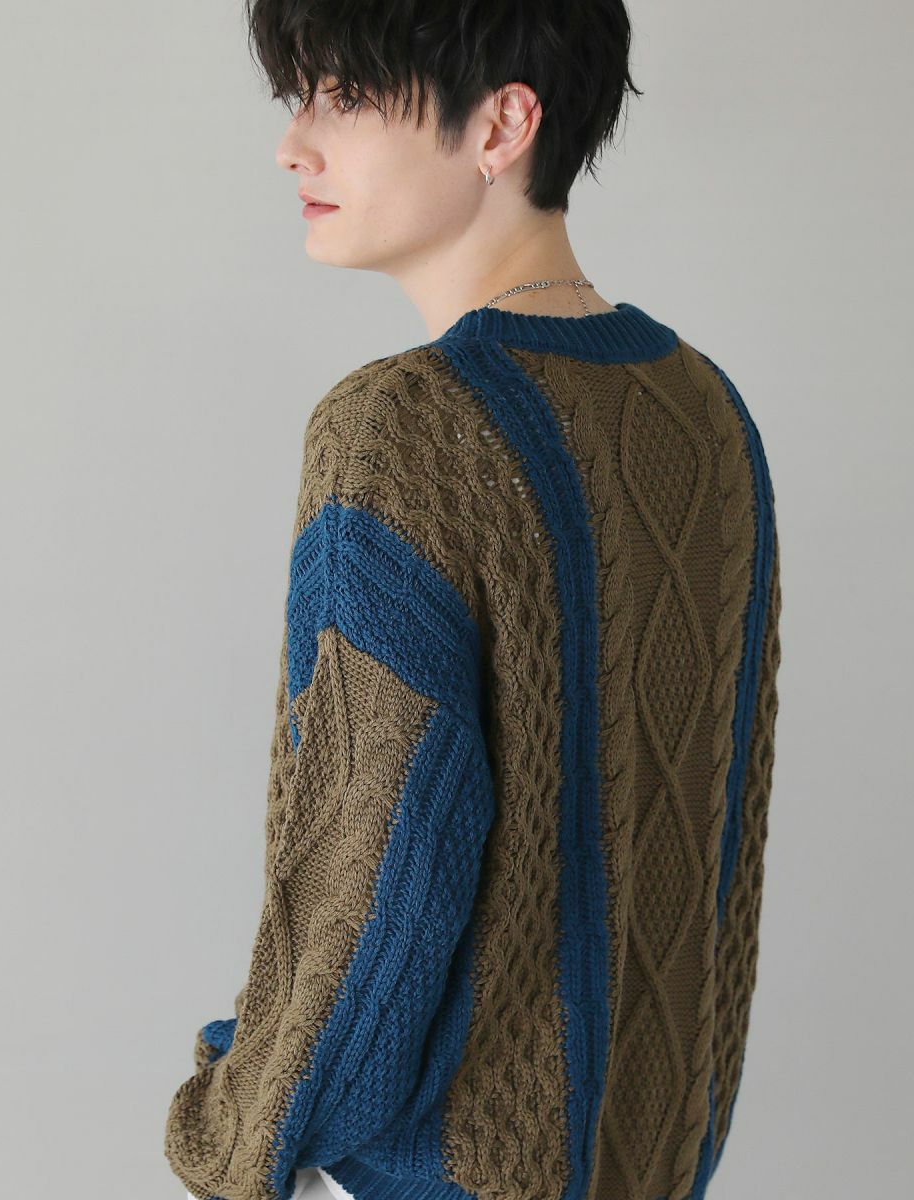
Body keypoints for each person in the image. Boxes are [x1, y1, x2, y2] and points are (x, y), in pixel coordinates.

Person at [166, 3, 782, 1200]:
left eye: (345, 96)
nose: (292, 145)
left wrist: (231, 1128)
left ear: (501, 124)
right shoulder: (704, 413)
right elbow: (712, 859)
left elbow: (369, 877)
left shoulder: (399, 427)